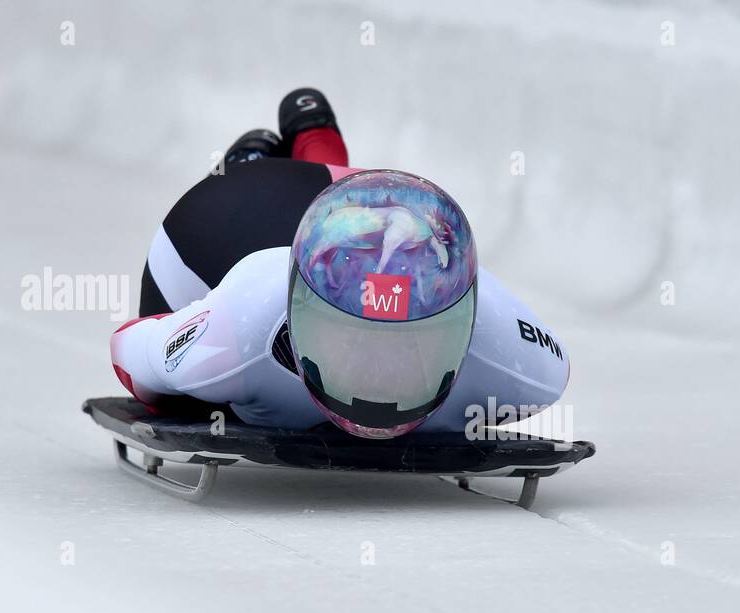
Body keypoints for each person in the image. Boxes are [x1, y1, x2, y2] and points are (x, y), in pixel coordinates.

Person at [111, 87, 569, 438]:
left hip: (342, 207)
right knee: (182, 402)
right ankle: (251, 162)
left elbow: (131, 351)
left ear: (466, 326)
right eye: (351, 337)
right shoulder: (240, 326)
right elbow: (134, 352)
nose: (378, 377)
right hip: (225, 219)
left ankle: (309, 142)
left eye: (414, 343)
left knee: (351, 206)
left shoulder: (512, 357)